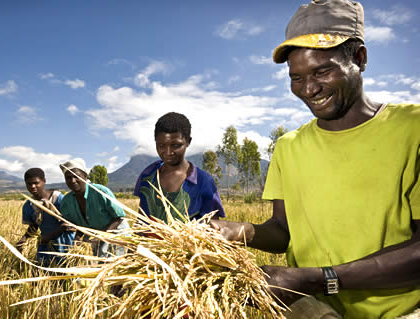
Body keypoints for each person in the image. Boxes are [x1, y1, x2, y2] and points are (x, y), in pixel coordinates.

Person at [211, 0, 420, 318]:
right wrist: (240, 231)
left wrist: (318, 279)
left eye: (323, 71)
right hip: (314, 309)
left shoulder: (412, 129)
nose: (308, 89)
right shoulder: (288, 146)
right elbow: (283, 231)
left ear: (360, 58)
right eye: (296, 77)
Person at [134, 112, 225, 223]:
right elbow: (141, 219)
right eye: (161, 145)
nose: (168, 152)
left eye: (176, 145)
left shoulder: (203, 181)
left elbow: (213, 225)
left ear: (188, 142)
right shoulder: (148, 176)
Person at [59, 158, 128, 257]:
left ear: (85, 176)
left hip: (114, 231)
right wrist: (78, 237)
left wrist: (100, 237)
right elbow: (79, 224)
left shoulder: (101, 192)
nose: (72, 180)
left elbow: (119, 218)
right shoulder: (67, 201)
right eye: (68, 177)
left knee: (111, 263)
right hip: (93, 235)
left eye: (76, 176)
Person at [15, 168, 75, 266]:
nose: (33, 186)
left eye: (36, 183)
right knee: (45, 270)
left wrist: (50, 236)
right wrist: (24, 238)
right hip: (45, 245)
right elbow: (34, 226)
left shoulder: (59, 199)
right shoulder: (29, 205)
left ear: (44, 181)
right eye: (29, 184)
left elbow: (70, 222)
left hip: (65, 244)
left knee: (66, 271)